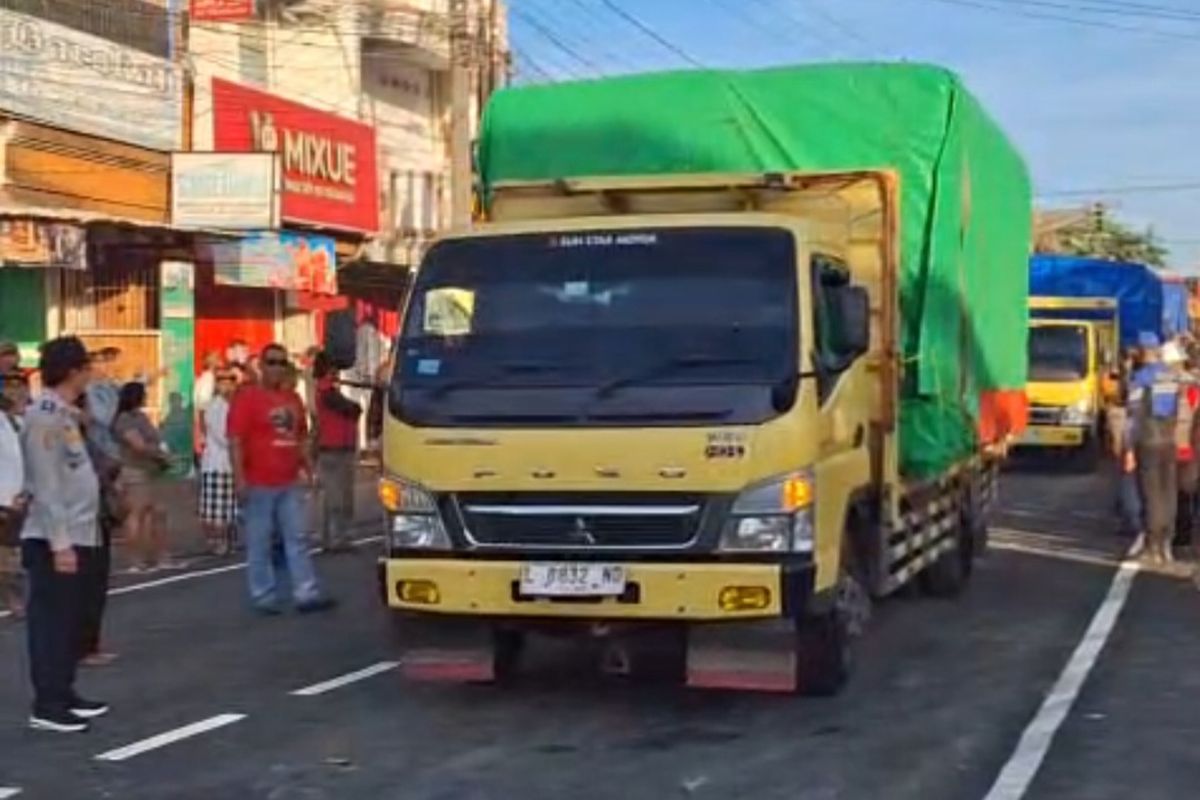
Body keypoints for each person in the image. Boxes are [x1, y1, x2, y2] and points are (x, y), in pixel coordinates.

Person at [21, 336, 108, 733]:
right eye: (86, 365)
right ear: (73, 370)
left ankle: (65, 689)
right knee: (52, 622)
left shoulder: (64, 413)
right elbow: (47, 483)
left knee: (74, 617)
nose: (91, 372)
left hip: (80, 530)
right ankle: (49, 702)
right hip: (56, 536)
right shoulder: (44, 416)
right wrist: (60, 543)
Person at [227, 344, 335, 615]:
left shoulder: (293, 400)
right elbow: (235, 440)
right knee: (260, 541)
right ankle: (263, 596)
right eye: (271, 362)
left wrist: (310, 470)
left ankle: (306, 593)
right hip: (258, 481)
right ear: (261, 366)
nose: (276, 368)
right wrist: (239, 478)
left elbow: (298, 439)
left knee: (297, 537)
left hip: (288, 481)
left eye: (281, 363)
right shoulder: (247, 398)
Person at [1127, 333, 1182, 565]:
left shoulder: (1141, 379)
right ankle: (1167, 542)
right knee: (1169, 492)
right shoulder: (1172, 376)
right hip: (1169, 441)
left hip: (1147, 441)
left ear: (1141, 351)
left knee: (1150, 495)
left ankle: (1152, 545)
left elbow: (1134, 416)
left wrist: (1129, 448)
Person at [113, 382, 172, 572]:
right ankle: (135, 560)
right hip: (135, 470)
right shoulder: (124, 419)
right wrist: (159, 454)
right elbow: (137, 445)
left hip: (150, 470)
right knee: (136, 514)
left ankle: (155, 556)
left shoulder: (141, 417)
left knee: (154, 514)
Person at [313, 352, 361, 551]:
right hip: (335, 448)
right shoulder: (326, 391)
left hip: (339, 446)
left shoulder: (328, 390)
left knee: (337, 496)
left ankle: (332, 537)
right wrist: (354, 407)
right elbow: (351, 408)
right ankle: (336, 538)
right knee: (336, 497)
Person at [0, 369, 30, 618]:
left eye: (20, 387)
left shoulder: (24, 422)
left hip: (22, 496)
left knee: (14, 552)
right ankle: (13, 600)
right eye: (9, 387)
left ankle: (16, 598)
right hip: (3, 498)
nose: (16, 391)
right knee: (7, 554)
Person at [199, 368, 238, 555]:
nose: (228, 385)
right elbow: (223, 436)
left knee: (228, 506)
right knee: (217, 508)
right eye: (223, 381)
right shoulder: (215, 407)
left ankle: (227, 541)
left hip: (229, 464)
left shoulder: (233, 405)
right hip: (217, 464)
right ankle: (217, 541)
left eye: (231, 381)